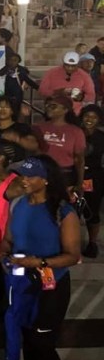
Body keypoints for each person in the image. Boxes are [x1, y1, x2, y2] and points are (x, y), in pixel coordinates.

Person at [0, 156, 81, 360]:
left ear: (45, 180)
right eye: (21, 175)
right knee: (29, 339)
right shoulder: (18, 204)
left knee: (42, 341)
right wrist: (4, 252)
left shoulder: (63, 212)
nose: (23, 180)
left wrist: (39, 262)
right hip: (22, 281)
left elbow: (73, 255)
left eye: (30, 176)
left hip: (52, 283)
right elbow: (9, 240)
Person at [33, 94, 85, 191]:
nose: (49, 108)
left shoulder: (76, 132)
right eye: (48, 105)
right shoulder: (39, 127)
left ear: (65, 110)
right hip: (41, 173)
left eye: (53, 106)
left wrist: (80, 183)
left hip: (65, 176)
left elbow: (79, 160)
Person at [80, 104, 104, 258]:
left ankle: (92, 242)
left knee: (92, 210)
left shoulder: (101, 137)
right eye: (87, 116)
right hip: (73, 175)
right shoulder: (75, 133)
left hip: (94, 177)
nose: (90, 120)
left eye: (94, 117)